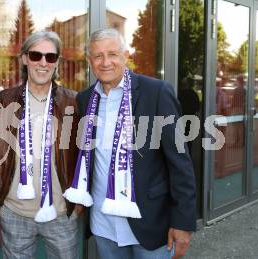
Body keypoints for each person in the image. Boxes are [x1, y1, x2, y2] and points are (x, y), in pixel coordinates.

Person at [64, 28, 196, 259]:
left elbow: (179, 162)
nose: (105, 62)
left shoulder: (156, 92)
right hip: (103, 223)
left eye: (113, 54)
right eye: (98, 56)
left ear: (126, 55)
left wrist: (183, 222)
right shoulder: (85, 100)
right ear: (89, 61)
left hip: (150, 223)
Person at [0, 31, 80, 259]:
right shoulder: (4, 100)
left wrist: (78, 203)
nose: (43, 63)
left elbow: (86, 154)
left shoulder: (73, 101)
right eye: (36, 55)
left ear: (57, 62)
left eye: (50, 57)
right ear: (24, 58)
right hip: (15, 212)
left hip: (61, 213)